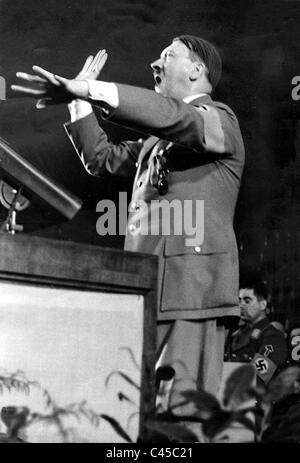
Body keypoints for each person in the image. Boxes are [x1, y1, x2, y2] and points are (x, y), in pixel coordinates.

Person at [12, 35, 245, 418]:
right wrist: (78, 101)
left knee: (181, 420)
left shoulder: (220, 120)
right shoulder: (159, 142)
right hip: (148, 291)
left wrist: (93, 88)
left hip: (190, 292)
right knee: (143, 419)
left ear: (196, 70)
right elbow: (101, 159)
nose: (155, 63)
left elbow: (175, 117)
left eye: (167, 56)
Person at [225, 280, 287, 385]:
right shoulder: (235, 335)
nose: (241, 305)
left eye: (247, 301)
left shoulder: (272, 336)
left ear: (262, 305)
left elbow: (259, 377)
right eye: (239, 300)